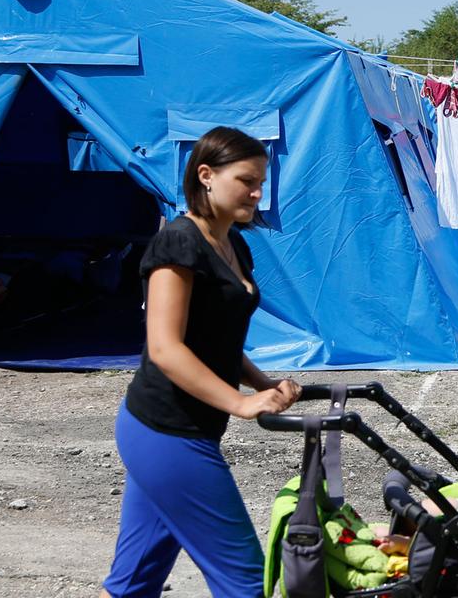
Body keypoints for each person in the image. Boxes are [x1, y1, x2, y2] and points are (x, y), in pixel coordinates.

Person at [100, 127, 302, 598]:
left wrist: (262, 383)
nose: (257, 192)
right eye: (247, 180)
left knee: (133, 582)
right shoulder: (178, 242)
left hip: (180, 431)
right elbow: (166, 349)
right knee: (247, 581)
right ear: (206, 175)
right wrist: (240, 403)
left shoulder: (236, 246)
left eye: (261, 181)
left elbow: (218, 339)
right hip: (167, 431)